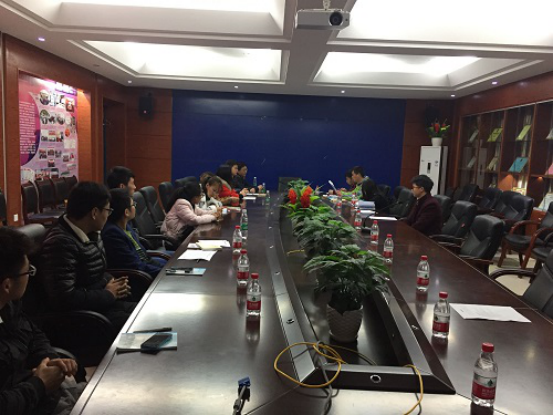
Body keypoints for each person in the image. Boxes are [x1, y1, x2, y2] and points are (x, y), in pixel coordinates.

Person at [0, 227, 82, 415]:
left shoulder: (9, 305)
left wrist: (50, 359)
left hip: (39, 397)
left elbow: (33, 334)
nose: (30, 276)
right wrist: (39, 384)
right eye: (28, 271)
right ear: (7, 285)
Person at [39, 182, 136, 331]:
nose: (108, 216)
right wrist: (108, 293)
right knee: (145, 323)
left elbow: (95, 272)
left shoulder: (92, 232)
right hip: (84, 319)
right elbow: (64, 299)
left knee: (150, 312)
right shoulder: (60, 243)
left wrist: (112, 282)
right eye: (107, 210)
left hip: (100, 306)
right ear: (95, 212)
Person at [102, 189, 167, 278]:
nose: (135, 207)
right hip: (140, 277)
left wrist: (167, 269)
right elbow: (136, 266)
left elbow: (145, 257)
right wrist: (165, 272)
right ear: (126, 212)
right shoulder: (112, 234)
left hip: (147, 266)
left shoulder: (126, 226)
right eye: (133, 205)